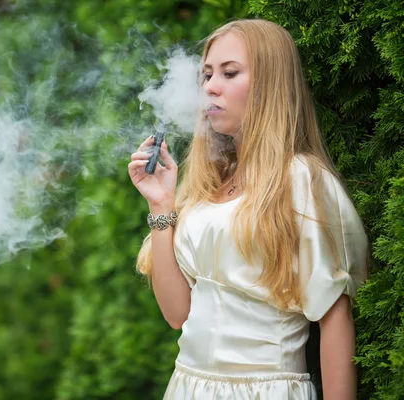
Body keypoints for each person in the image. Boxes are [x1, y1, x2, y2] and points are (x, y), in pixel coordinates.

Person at [128, 19, 368, 400]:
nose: (210, 86)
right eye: (206, 75)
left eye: (229, 72)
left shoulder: (301, 179)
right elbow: (177, 314)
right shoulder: (209, 186)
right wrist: (160, 203)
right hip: (187, 387)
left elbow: (334, 317)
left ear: (269, 84)